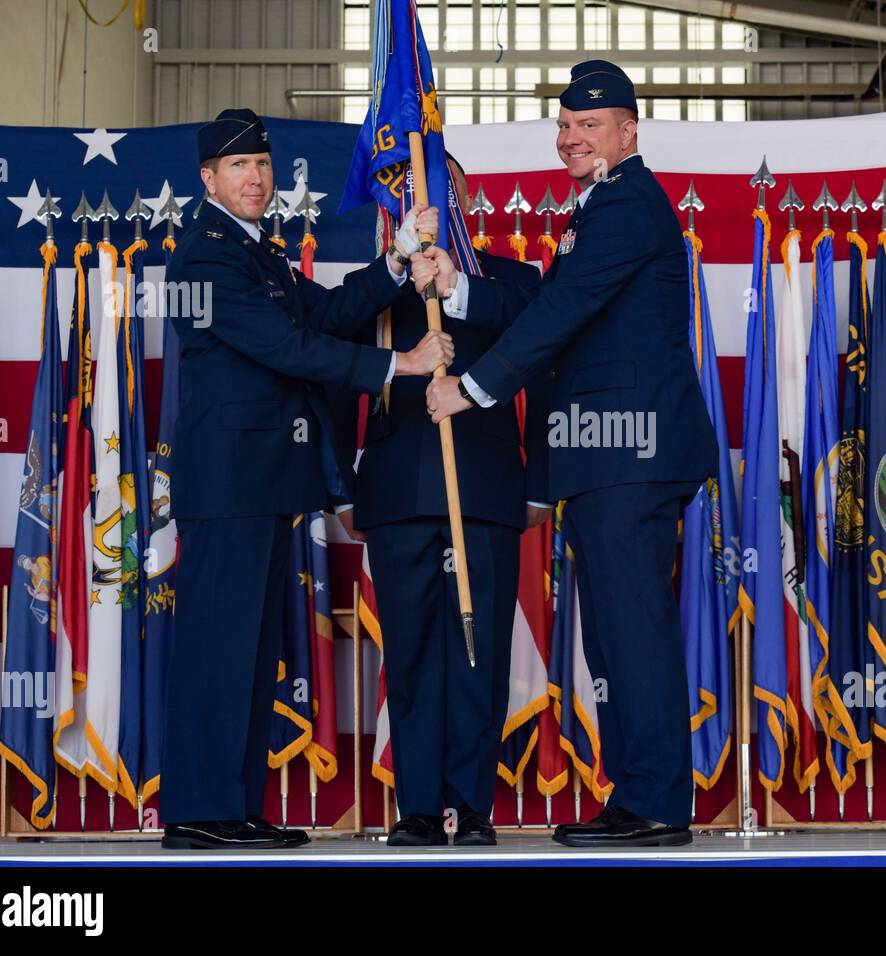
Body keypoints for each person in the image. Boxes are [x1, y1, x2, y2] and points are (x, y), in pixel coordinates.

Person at [416, 60, 717, 847]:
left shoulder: (627, 206)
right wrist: (460, 289)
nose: (571, 138)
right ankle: (637, 797)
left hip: (632, 453)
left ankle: (654, 803)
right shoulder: (599, 209)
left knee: (633, 628)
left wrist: (473, 389)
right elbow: (554, 300)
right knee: (611, 634)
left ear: (628, 132)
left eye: (589, 126)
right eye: (564, 126)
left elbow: (559, 316)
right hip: (602, 457)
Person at [159, 108, 454, 850]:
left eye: (260, 164)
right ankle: (200, 812)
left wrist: (395, 266)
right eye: (237, 167)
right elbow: (287, 347)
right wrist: (401, 365)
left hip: (261, 482)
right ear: (208, 180)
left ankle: (232, 804)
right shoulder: (206, 254)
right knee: (217, 651)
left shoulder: (257, 251)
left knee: (251, 653)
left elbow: (326, 313)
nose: (255, 177)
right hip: (228, 484)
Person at [334, 153, 548, 847]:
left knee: (478, 655)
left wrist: (539, 486)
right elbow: (334, 375)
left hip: (482, 491)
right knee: (415, 655)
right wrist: (340, 487)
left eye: (437, 191)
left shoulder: (508, 280)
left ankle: (472, 803)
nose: (424, 204)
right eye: (409, 195)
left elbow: (541, 348)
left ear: (460, 200)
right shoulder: (372, 288)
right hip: (395, 497)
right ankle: (420, 807)